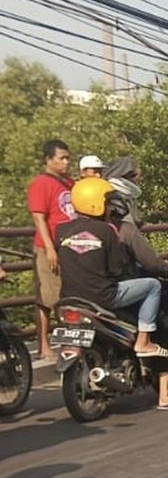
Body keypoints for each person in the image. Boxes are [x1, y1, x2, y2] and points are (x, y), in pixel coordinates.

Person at [57, 178, 168, 410]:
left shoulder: (61, 230)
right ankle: (144, 341)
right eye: (107, 202)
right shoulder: (110, 231)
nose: (111, 207)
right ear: (96, 203)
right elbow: (118, 269)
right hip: (103, 296)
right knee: (153, 286)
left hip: (70, 297)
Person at [26, 139, 74, 359]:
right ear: (49, 159)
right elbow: (39, 218)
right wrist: (49, 248)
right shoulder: (41, 183)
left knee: (66, 296)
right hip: (49, 246)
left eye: (67, 157)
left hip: (69, 246)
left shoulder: (69, 183)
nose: (66, 162)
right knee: (47, 298)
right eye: (61, 158)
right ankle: (44, 345)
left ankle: (67, 342)